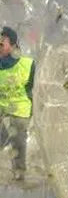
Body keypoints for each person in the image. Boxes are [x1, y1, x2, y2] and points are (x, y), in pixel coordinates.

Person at [0, 26, 34, 183]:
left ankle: (19, 172)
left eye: (2, 43)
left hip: (19, 110)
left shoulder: (27, 64)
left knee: (18, 141)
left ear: (13, 45)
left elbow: (32, 87)